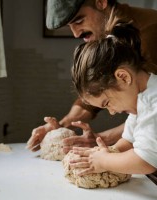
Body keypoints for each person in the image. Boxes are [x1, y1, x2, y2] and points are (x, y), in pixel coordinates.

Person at [26, 0, 157, 153]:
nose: (76, 34)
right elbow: (99, 89)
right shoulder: (111, 36)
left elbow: (150, 117)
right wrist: (61, 127)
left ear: (101, 2)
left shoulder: (150, 33)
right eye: (70, 26)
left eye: (79, 20)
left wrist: (101, 140)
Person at [69, 16, 157, 175]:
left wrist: (104, 161)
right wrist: (106, 152)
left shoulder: (153, 103)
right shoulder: (141, 100)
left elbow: (144, 161)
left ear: (123, 77)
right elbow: (129, 141)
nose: (112, 111)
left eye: (107, 102)